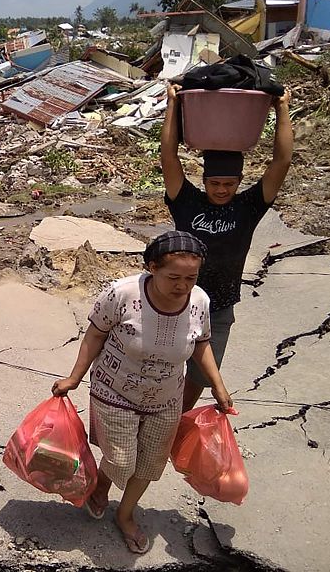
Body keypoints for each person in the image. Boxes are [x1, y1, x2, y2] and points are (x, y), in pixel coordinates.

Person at [52, 230, 233, 555]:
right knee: (121, 461)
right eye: (174, 277)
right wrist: (74, 377)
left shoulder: (200, 301)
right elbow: (94, 336)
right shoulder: (121, 294)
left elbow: (201, 344)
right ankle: (102, 484)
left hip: (166, 397)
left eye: (190, 277)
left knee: (150, 465)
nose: (182, 285)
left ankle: (125, 514)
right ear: (151, 267)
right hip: (115, 391)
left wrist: (219, 387)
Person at [161, 84, 294, 412]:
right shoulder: (187, 201)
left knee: (201, 377)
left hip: (219, 309)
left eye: (229, 185)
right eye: (215, 184)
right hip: (177, 300)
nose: (221, 190)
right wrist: (173, 106)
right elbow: (168, 156)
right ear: (204, 181)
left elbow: (283, 160)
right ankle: (155, 420)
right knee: (160, 369)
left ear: (239, 183)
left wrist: (282, 109)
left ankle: (174, 424)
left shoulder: (249, 205)